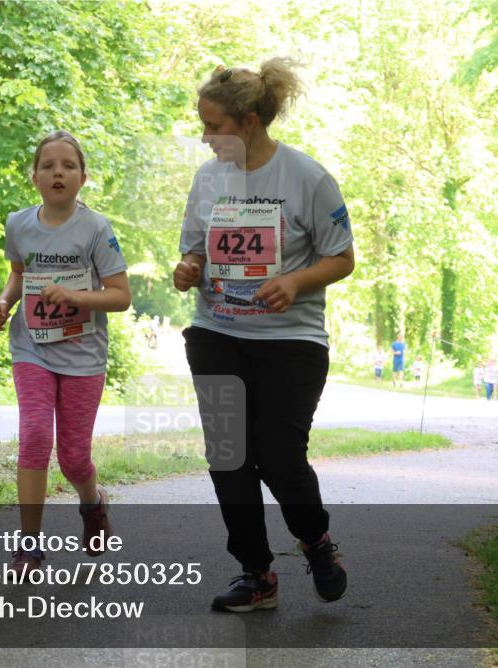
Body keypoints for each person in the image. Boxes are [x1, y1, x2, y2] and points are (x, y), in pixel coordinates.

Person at [173, 59, 353, 613]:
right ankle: (257, 574)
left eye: (214, 126)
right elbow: (194, 248)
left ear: (250, 121)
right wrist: (189, 268)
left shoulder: (307, 177)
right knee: (228, 457)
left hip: (289, 341)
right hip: (217, 333)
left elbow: (342, 258)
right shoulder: (209, 178)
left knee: (277, 457)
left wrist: (295, 281)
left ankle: (315, 539)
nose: (205, 138)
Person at [0, 131, 131, 575]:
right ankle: (29, 544)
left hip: (82, 355)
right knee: (34, 437)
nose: (58, 172)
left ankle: (93, 504)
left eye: (68, 165)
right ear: (34, 177)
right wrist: (4, 301)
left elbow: (121, 295)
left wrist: (75, 297)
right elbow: (18, 274)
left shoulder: (95, 228)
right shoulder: (18, 224)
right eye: (48, 165)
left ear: (83, 177)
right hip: (31, 347)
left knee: (73, 457)